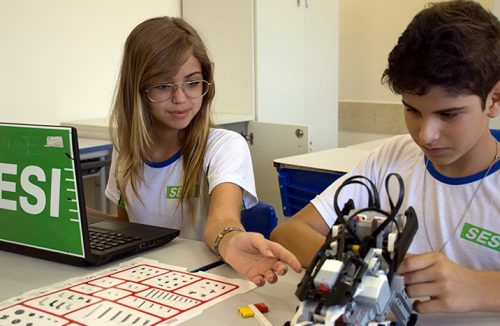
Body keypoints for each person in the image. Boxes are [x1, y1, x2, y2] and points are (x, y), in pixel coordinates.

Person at [271, 0, 500, 314]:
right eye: (412, 110)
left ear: (494, 100)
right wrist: (364, 272)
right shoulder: (390, 158)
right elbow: (288, 232)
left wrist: (483, 287)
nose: (425, 135)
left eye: (448, 114)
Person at [93, 16, 301, 286]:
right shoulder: (126, 148)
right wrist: (72, 214)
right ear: (137, 89)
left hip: (204, 282)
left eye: (192, 83)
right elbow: (128, 228)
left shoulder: (224, 146)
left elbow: (223, 220)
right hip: (146, 280)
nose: (181, 99)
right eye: (163, 86)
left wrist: (231, 239)